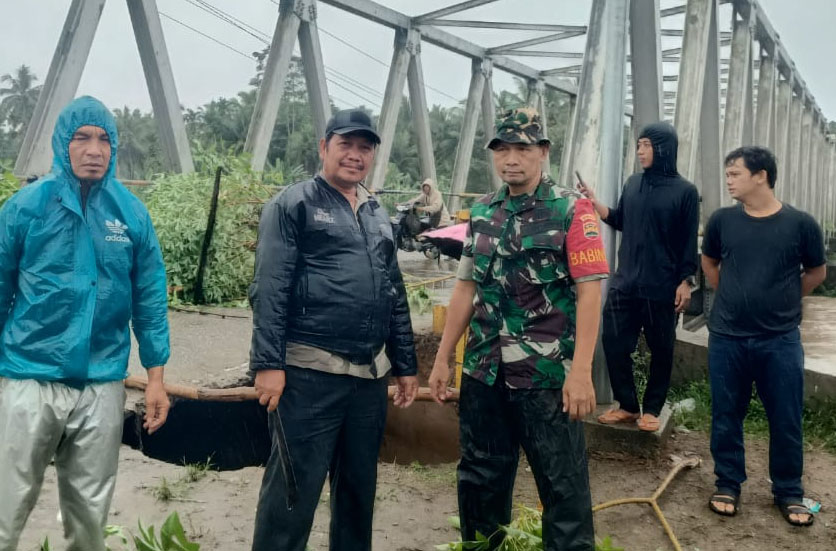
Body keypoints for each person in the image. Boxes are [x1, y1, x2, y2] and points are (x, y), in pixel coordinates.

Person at [429, 107, 608, 550]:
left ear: (542, 152)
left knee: (562, 488)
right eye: (502, 149)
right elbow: (465, 289)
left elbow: (590, 294)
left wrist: (582, 372)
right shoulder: (484, 212)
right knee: (479, 479)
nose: (511, 158)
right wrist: (442, 358)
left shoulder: (572, 210)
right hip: (484, 372)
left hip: (546, 377)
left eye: (522, 149)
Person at [0, 96, 171, 551]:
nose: (93, 149)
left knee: (90, 512)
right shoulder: (26, 208)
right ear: (63, 144)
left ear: (113, 147)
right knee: (6, 505)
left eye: (103, 140)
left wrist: (155, 378)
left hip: (101, 381)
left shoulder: (130, 213)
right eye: (82, 138)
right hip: (29, 375)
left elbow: (150, 297)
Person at [248, 108, 419, 551]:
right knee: (292, 496)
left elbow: (394, 290)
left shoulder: (378, 212)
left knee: (358, 494)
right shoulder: (294, 204)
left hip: (366, 380)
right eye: (346, 145)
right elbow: (269, 287)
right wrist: (268, 364)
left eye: (365, 148)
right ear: (324, 147)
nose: (356, 156)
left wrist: (405, 363)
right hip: (308, 375)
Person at [702, 146, 826, 526]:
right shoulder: (723, 220)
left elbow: (817, 272)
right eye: (727, 173)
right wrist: (732, 298)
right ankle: (728, 483)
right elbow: (709, 262)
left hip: (780, 340)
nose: (728, 180)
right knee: (726, 413)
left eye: (735, 173)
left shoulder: (800, 224)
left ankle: (788, 491)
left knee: (786, 416)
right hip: (728, 337)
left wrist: (783, 301)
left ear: (761, 175)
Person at [578, 122, 699, 432]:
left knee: (662, 349)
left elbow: (688, 241)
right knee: (614, 342)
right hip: (625, 282)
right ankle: (628, 405)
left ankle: (653, 408)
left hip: (663, 286)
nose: (640, 151)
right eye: (638, 145)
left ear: (663, 148)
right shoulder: (633, 183)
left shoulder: (685, 191)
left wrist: (686, 281)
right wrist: (596, 204)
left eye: (646, 145)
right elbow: (621, 219)